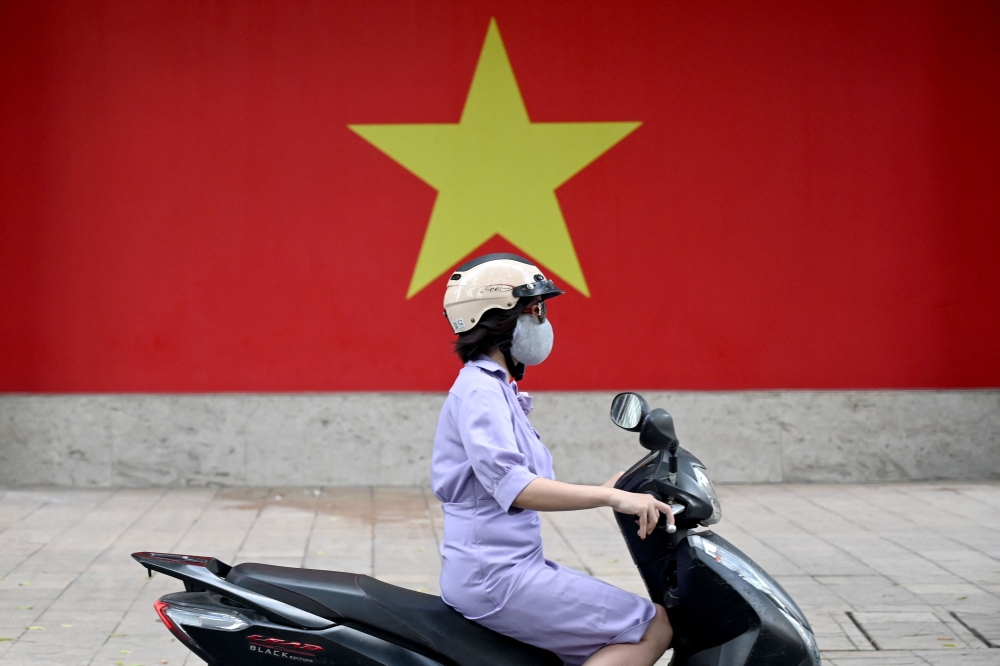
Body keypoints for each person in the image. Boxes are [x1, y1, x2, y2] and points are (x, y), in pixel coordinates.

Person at [431, 253, 674, 666]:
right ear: (498, 319)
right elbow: (515, 487)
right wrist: (609, 498)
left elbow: (519, 480)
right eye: (535, 310)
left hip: (508, 566)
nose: (543, 322)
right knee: (653, 626)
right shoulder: (480, 392)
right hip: (496, 576)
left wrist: (606, 490)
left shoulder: (495, 387)